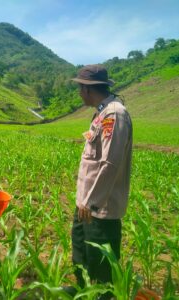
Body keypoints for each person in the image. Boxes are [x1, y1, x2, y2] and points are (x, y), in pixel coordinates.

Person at [69, 65, 133, 299]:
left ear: (87, 89)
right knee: (81, 258)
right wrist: (83, 202)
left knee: (102, 272)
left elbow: (110, 162)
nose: (79, 93)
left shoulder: (114, 114)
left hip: (99, 210)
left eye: (79, 88)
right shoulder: (101, 113)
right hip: (85, 206)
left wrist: (92, 202)